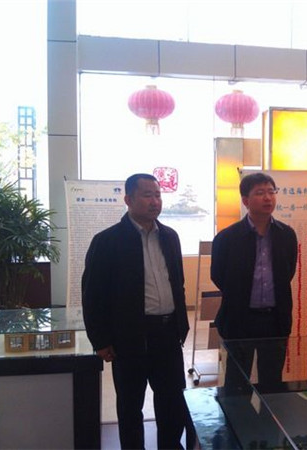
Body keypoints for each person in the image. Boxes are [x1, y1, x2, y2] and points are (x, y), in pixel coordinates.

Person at [82, 173, 196, 449]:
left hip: (168, 334)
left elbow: (177, 284)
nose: (155, 201)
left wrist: (181, 326)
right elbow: (93, 295)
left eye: (158, 195)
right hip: (129, 336)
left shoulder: (170, 236)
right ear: (128, 199)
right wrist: (100, 340)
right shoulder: (107, 241)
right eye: (147, 195)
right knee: (130, 405)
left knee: (172, 401)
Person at [211, 172, 298, 390]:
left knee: (272, 381)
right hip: (240, 318)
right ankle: (237, 413)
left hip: (275, 319)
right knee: (236, 381)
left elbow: (288, 272)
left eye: (271, 192)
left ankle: (270, 414)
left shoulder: (286, 234)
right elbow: (218, 275)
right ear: (245, 200)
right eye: (260, 193)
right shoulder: (227, 237)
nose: (268, 198)